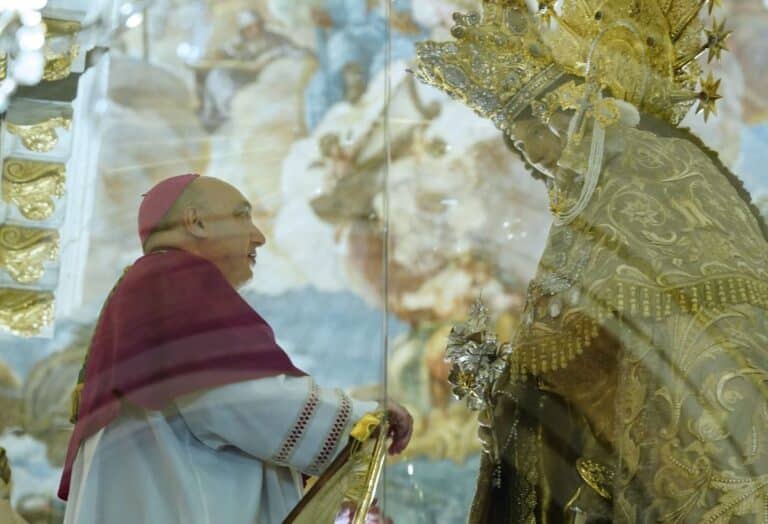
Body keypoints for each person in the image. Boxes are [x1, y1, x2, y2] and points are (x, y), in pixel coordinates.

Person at [415, 0, 768, 522]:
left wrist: (514, 383)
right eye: (518, 143)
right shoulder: (645, 175)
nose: (534, 155)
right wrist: (510, 391)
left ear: (573, 110)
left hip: (702, 442)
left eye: (531, 132)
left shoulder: (638, 174)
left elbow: (582, 330)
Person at [59, 174, 412, 523]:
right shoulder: (174, 279)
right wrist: (361, 422)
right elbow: (233, 398)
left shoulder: (148, 284)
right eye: (242, 216)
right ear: (195, 222)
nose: (258, 236)